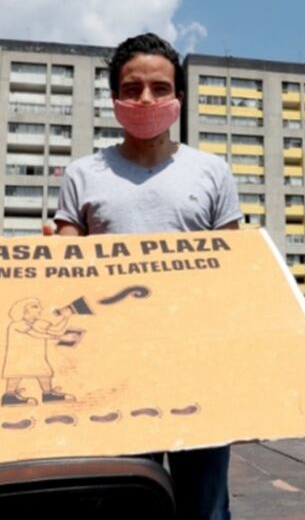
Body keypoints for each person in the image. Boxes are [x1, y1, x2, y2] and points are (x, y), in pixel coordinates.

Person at [53, 33, 241, 520]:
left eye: (160, 88)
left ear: (178, 96)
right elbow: (64, 265)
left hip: (195, 365)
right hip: (109, 369)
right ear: (114, 97)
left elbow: (235, 267)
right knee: (122, 505)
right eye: (132, 88)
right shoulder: (82, 175)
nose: (146, 100)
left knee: (206, 508)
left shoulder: (212, 171)